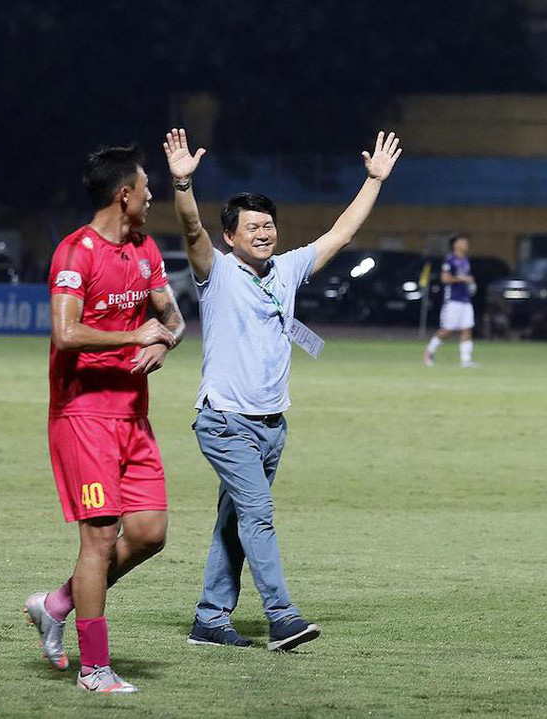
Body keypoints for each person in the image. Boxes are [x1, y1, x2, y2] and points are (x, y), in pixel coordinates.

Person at [163, 127, 401, 651]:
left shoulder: (288, 270)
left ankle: (209, 619)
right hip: (225, 421)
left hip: (272, 425)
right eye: (253, 227)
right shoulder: (217, 273)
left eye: (269, 225)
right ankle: (282, 617)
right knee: (258, 516)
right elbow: (192, 231)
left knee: (234, 524)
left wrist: (373, 182)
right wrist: (183, 185)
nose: (264, 233)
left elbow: (340, 234)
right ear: (232, 236)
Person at [23, 145, 184, 694]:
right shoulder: (74, 253)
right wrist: (132, 335)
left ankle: (58, 604)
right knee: (99, 538)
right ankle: (95, 669)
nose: (150, 196)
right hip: (83, 413)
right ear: (124, 194)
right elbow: (65, 334)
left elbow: (172, 316)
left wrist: (164, 342)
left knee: (149, 532)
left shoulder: (144, 250)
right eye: (145, 188)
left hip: (133, 414)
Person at [424, 235, 477, 367]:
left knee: (467, 328)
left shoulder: (465, 260)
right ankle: (429, 351)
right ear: (456, 245)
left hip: (465, 299)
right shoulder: (450, 260)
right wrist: (462, 279)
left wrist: (470, 283)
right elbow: (445, 279)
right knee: (447, 330)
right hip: (453, 300)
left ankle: (466, 360)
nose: (466, 244)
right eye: (463, 242)